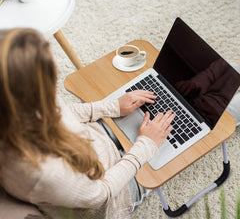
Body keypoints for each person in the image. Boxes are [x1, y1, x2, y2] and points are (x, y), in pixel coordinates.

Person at [0, 28, 175, 219]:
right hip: (114, 193)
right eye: (51, 68)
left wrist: (113, 106)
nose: (58, 70)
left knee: (149, 121)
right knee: (171, 148)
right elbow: (102, 193)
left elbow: (64, 111)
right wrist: (145, 147)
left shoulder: (18, 104)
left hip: (95, 142)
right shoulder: (44, 173)